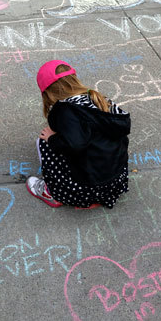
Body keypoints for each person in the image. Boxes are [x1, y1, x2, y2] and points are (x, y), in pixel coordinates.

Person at [26, 60, 131, 209]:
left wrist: (52, 138)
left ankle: (52, 193)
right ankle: (98, 198)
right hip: (115, 182)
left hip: (86, 189)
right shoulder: (97, 98)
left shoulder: (65, 111)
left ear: (48, 92)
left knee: (44, 141)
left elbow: (75, 144)